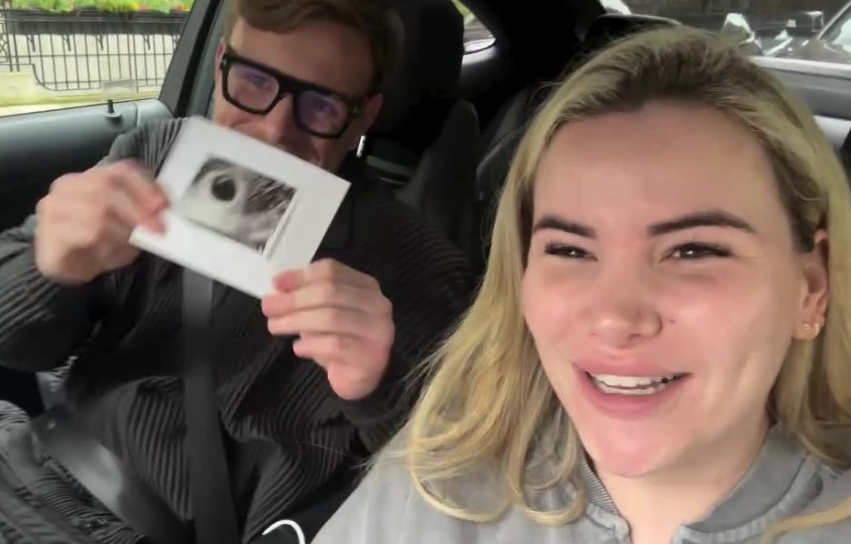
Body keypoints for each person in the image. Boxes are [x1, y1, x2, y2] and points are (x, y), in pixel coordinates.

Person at [0, 0, 475, 542]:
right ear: (221, 65)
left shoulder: (417, 264)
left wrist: (381, 386)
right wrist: (49, 267)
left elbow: (454, 481)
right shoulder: (157, 154)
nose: (274, 130)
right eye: (253, 81)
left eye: (320, 106)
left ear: (363, 114)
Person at [312, 25, 851, 544]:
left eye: (693, 250)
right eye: (570, 250)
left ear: (811, 287)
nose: (614, 317)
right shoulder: (435, 493)